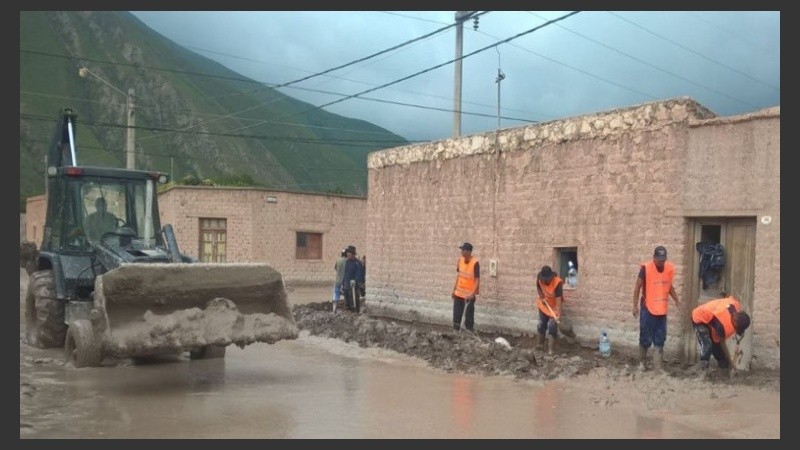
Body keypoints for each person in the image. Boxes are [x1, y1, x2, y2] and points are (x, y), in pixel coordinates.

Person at [632, 245, 681, 371]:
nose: (661, 262)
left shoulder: (668, 268)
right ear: (654, 257)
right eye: (659, 259)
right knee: (645, 337)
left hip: (661, 310)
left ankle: (658, 367)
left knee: (660, 338)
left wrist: (676, 300)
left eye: (663, 259)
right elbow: (637, 287)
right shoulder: (646, 268)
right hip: (648, 308)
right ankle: (642, 363)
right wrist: (634, 306)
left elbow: (669, 286)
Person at [691, 295, 751, 378]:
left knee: (721, 356)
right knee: (707, 345)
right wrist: (731, 362)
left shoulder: (735, 305)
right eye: (737, 327)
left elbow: (729, 297)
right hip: (699, 317)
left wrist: (727, 361)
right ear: (735, 319)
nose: (736, 329)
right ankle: (702, 370)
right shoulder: (722, 324)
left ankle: (723, 370)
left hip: (712, 321)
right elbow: (722, 343)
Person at [535, 265, 565, 355]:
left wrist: (558, 314)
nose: (545, 281)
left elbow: (558, 299)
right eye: (544, 279)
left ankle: (551, 350)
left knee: (552, 325)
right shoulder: (540, 279)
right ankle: (540, 345)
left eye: (547, 279)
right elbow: (538, 287)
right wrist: (541, 296)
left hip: (554, 306)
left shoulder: (557, 283)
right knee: (541, 323)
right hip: (544, 304)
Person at [452, 242, 480, 333]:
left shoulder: (475, 263)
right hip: (458, 293)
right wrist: (454, 289)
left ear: (468, 252)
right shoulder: (460, 260)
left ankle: (469, 334)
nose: (461, 251)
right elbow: (459, 276)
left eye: (463, 250)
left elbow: (477, 280)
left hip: (469, 295)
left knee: (469, 316)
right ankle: (455, 333)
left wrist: (472, 294)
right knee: (457, 315)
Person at [341, 245, 365, 312]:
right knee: (347, 302)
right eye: (347, 253)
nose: (347, 254)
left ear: (353, 254)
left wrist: (355, 280)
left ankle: (354, 313)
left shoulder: (357, 263)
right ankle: (348, 312)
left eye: (349, 253)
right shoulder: (347, 262)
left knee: (353, 302)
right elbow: (345, 273)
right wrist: (343, 283)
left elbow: (359, 275)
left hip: (353, 287)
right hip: (346, 285)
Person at [332, 248, 347, 312]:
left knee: (336, 294)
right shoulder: (347, 261)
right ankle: (347, 309)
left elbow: (335, 268)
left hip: (337, 281)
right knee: (346, 295)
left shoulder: (338, 260)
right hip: (344, 281)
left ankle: (334, 309)